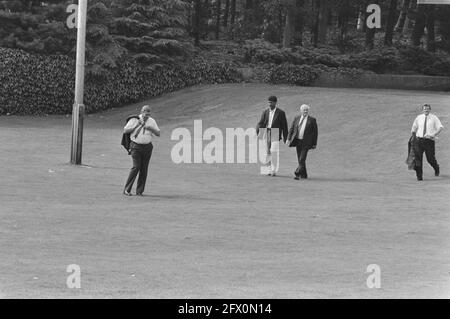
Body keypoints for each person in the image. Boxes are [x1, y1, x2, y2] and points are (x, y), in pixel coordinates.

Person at [123, 105, 160, 196]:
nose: (146, 115)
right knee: (136, 167)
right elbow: (125, 130)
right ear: (141, 111)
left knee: (144, 169)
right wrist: (136, 125)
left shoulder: (152, 121)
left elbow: (158, 133)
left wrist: (151, 128)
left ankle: (139, 191)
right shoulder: (135, 119)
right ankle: (127, 189)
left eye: (148, 114)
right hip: (136, 146)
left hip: (147, 147)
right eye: (144, 113)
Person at [256, 95, 288, 176]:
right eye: (269, 102)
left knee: (273, 151)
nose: (269, 104)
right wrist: (258, 133)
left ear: (275, 103)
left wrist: (285, 137)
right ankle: (268, 169)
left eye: (271, 102)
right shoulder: (265, 112)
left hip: (275, 132)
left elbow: (284, 126)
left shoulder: (281, 113)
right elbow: (261, 123)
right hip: (267, 132)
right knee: (268, 152)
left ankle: (273, 170)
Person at [411, 104, 443, 181]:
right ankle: (419, 177)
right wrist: (413, 137)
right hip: (419, 141)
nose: (426, 110)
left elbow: (440, 127)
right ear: (422, 110)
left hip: (429, 141)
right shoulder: (419, 118)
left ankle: (436, 168)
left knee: (430, 159)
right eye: (425, 109)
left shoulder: (434, 118)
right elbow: (414, 128)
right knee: (418, 159)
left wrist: (434, 134)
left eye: (427, 109)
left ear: (430, 110)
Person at [286, 104, 318, 180]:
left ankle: (297, 173)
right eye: (304, 110)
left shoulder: (312, 120)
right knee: (300, 159)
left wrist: (314, 143)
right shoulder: (297, 118)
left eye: (307, 110)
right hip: (297, 141)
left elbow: (315, 133)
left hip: (306, 142)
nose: (305, 111)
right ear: (301, 111)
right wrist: (288, 138)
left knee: (302, 159)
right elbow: (292, 128)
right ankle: (304, 175)